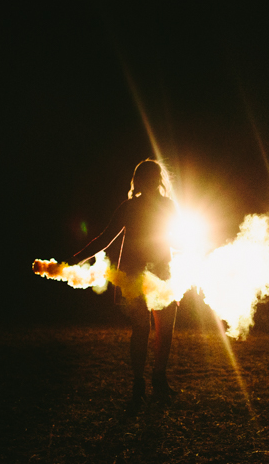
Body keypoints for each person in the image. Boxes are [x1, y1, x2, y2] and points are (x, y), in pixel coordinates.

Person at [72, 159, 179, 414]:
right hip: (142, 275)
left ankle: (145, 382)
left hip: (150, 274)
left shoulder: (139, 207)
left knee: (148, 330)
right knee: (155, 330)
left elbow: (106, 238)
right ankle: (150, 380)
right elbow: (107, 238)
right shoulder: (141, 207)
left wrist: (78, 257)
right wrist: (78, 258)